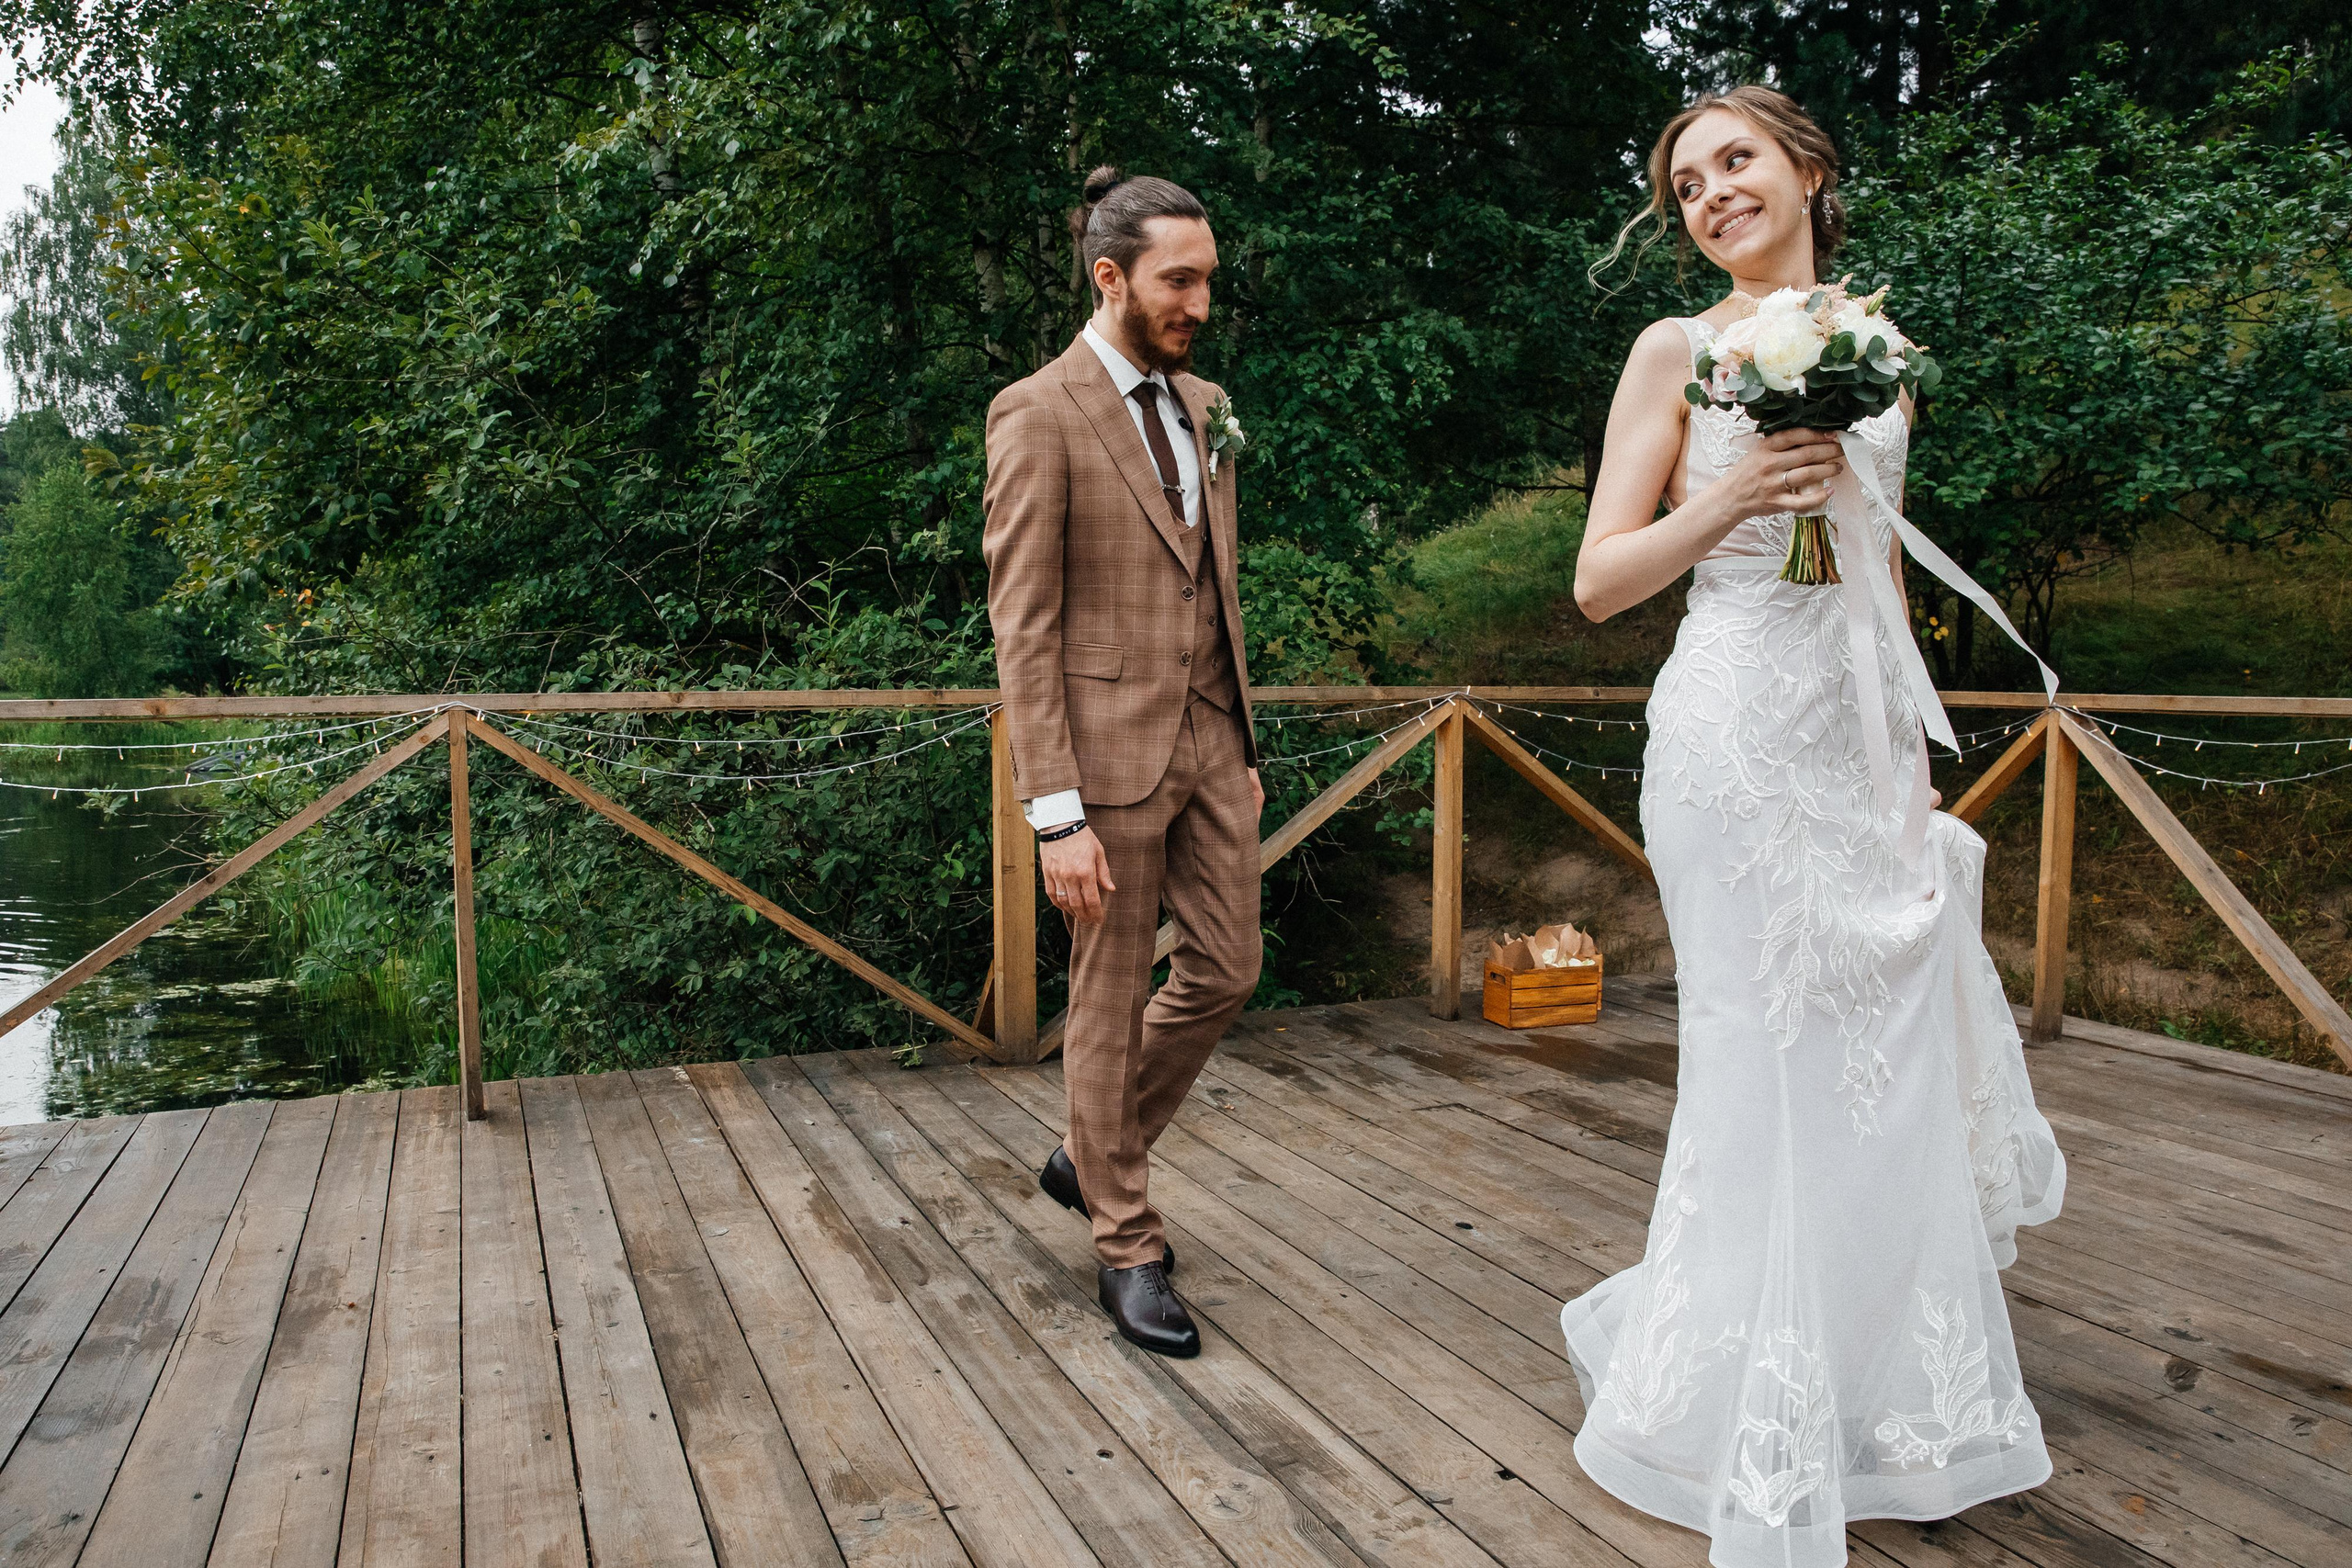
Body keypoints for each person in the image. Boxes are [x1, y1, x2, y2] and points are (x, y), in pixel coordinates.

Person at [1561, 86, 2066, 1567]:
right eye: (1687, 182)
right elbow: (1599, 581)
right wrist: (1739, 501)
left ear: (1808, 171)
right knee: (1762, 1052)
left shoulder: (1882, 360)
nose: (1711, 192)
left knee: (1882, 1055)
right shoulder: (1677, 351)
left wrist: (1904, 760)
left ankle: (1870, 1384)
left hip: (1852, 745)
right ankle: (1733, 1391)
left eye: (1736, 162)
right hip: (1726, 740)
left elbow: (1870, 582)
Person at [981, 166, 1264, 1359]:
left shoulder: (1203, 404)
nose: (1201, 298)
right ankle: (1127, 1242)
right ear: (1112, 278)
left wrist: (1241, 745)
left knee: (1228, 969)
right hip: (1100, 764)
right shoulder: (1038, 412)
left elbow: (1216, 591)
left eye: (1207, 276)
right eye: (1178, 279)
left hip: (1210, 744)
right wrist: (1056, 816)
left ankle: (1089, 1153)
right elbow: (1025, 626)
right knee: (1103, 1000)